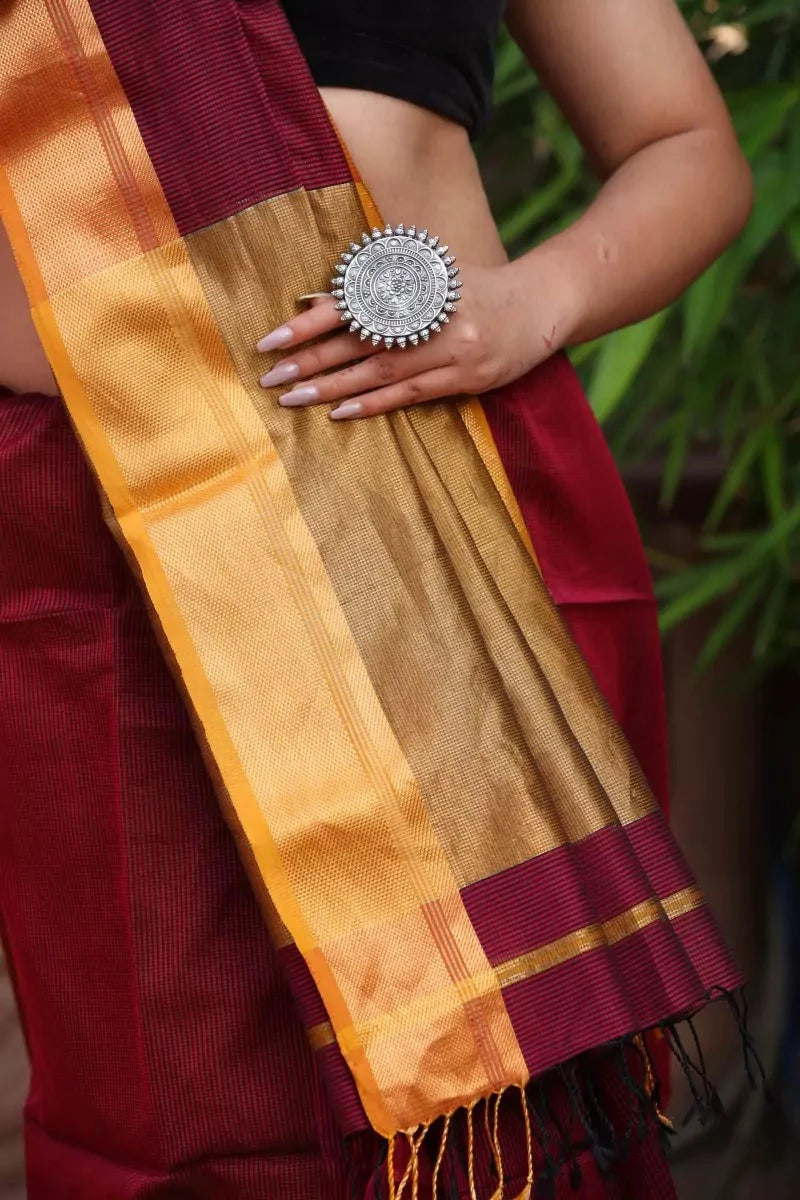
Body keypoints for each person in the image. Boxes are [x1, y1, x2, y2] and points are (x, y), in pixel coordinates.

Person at [0, 2, 753, 1197]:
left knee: (514, 1106)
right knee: (166, 1100)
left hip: (451, 498)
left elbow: (685, 148)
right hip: (96, 540)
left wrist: (531, 301)